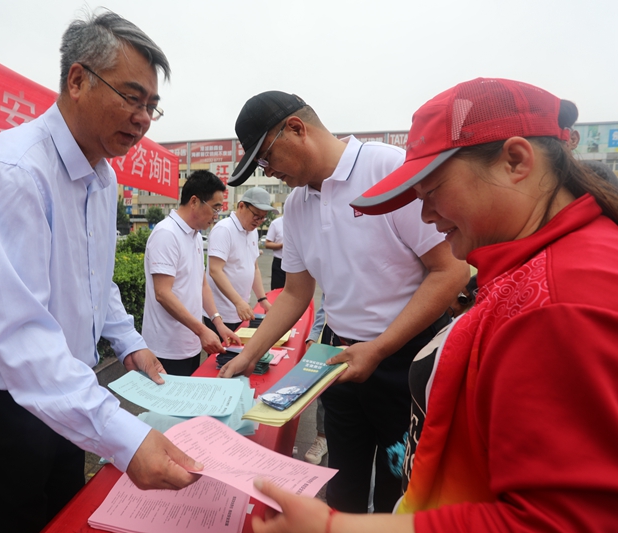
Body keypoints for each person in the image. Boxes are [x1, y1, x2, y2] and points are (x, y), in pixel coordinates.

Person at [254, 77, 618, 532]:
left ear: (516, 161)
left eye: (432, 191)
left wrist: (336, 528)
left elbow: (561, 520)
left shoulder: (559, 301)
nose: (425, 216)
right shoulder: (534, 270)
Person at [0, 12, 201, 533]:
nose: (142, 119)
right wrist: (126, 438)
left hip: (65, 384)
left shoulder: (103, 177)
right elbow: (23, 336)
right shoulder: (16, 170)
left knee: (63, 512)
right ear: (77, 80)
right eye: (131, 98)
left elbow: (95, 280)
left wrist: (129, 342)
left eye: (151, 106)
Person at [218, 91, 469, 513]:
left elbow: (451, 271)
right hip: (338, 359)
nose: (269, 171)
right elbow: (296, 292)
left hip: (404, 359)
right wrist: (250, 354)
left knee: (400, 489)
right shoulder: (296, 205)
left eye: (266, 158)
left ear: (296, 129)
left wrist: (380, 348)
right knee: (341, 486)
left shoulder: (386, 168)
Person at [142, 170, 241, 376]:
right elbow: (163, 293)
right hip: (167, 349)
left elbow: (201, 284)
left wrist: (218, 323)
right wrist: (202, 330)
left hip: (191, 343)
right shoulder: (166, 234)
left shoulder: (195, 235)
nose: (216, 216)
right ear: (194, 201)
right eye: (215, 208)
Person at [205, 187, 276, 335]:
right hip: (221, 313)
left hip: (241, 310)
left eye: (263, 217)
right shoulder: (224, 229)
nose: (259, 221)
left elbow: (254, 267)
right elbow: (215, 270)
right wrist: (238, 302)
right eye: (256, 215)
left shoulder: (252, 232)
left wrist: (262, 299)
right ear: (242, 206)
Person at [303, 294, 327, 465]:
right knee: (326, 389)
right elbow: (326, 305)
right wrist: (314, 335)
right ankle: (322, 437)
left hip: (382, 341)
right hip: (334, 339)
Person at [264, 214, 285, 290]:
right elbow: (267, 244)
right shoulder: (276, 223)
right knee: (277, 291)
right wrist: (281, 245)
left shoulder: (300, 223)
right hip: (279, 262)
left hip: (296, 262)